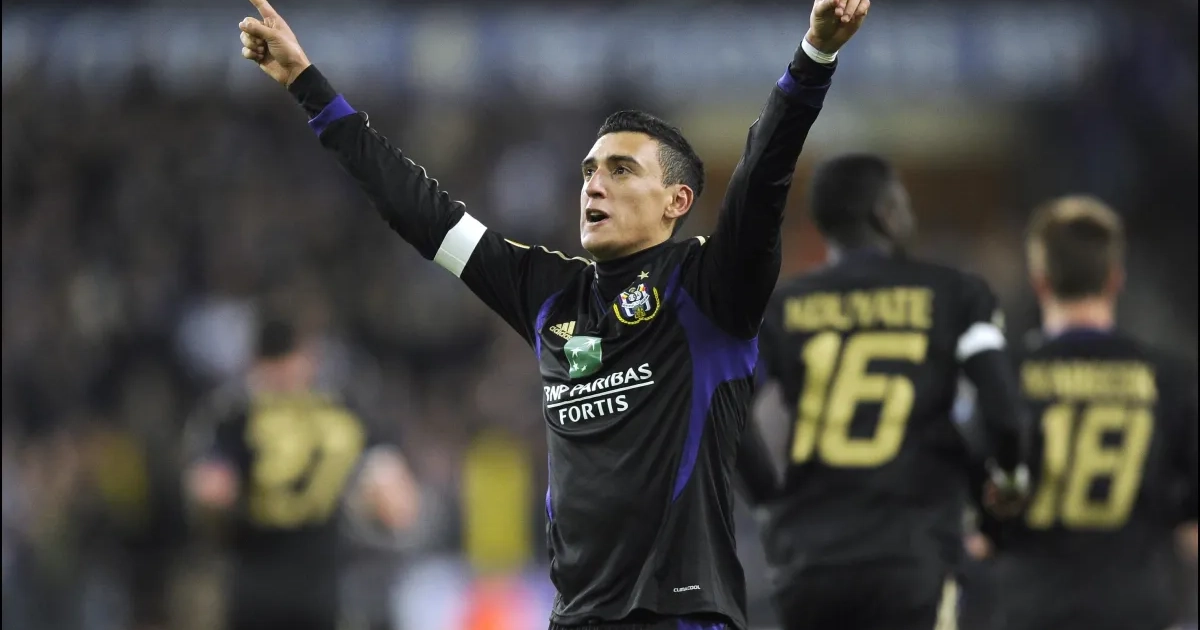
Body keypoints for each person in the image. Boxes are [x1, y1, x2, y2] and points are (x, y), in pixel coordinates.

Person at [234, 1, 869, 627]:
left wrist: (813, 56)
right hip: (575, 617)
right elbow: (418, 210)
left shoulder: (710, 288)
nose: (594, 183)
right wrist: (307, 85)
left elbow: (763, 175)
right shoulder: (549, 294)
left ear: (677, 201)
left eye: (622, 170)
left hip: (678, 612)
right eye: (590, 170)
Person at [747, 154, 1030, 630]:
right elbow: (1004, 415)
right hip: (911, 552)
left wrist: (768, 498)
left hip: (810, 560)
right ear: (886, 213)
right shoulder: (955, 294)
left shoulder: (781, 307)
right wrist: (1007, 487)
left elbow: (724, 407)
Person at [977, 196, 1198, 630]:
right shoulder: (1171, 382)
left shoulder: (1003, 380)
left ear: (1040, 282)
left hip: (1031, 611)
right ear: (1115, 279)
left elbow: (975, 528)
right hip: (1135, 612)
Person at [184, 316, 419, 630]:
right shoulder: (339, 412)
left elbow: (209, 488)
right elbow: (398, 501)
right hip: (283, 582)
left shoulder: (236, 414)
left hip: (289, 583)